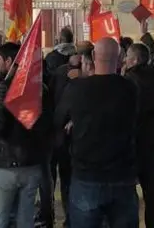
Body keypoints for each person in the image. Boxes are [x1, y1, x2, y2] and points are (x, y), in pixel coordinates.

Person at [56, 37, 139, 228]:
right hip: (122, 175)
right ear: (120, 59)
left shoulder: (77, 88)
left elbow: (58, 120)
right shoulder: (130, 88)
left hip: (87, 175)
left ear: (93, 56)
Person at [0, 42, 53, 228]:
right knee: (25, 220)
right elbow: (47, 125)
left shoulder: (5, 87)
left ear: (9, 61)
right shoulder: (41, 88)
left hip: (5, 165)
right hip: (32, 164)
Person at [123, 43, 154, 228]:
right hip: (152, 139)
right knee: (151, 192)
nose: (125, 59)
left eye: (128, 56)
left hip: (134, 141)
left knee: (129, 192)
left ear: (135, 60)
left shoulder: (130, 79)